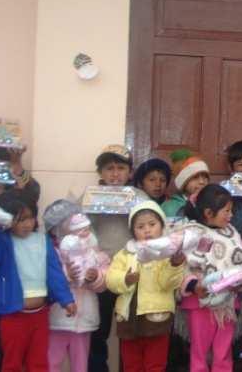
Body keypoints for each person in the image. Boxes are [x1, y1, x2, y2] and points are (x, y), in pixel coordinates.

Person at [0, 191, 77, 372]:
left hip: (40, 315)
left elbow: (54, 273)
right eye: (20, 220)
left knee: (38, 362)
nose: (26, 224)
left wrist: (66, 299)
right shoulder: (4, 241)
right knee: (12, 363)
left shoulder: (42, 240)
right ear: (7, 220)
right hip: (13, 316)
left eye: (30, 218)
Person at [0, 146, 39, 372]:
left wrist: (16, 164)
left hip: (1, 290)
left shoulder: (10, 218)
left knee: (0, 345)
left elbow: (32, 193)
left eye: (3, 187)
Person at [180, 184, 242, 372]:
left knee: (223, 349)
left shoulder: (231, 233)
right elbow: (184, 266)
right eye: (227, 211)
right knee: (200, 349)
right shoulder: (192, 233)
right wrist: (194, 285)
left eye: (231, 210)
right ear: (208, 212)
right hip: (200, 303)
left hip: (228, 303)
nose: (231, 215)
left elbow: (241, 260)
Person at [106, 201, 185, 372]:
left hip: (156, 319)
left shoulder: (167, 253)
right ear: (133, 231)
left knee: (155, 365)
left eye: (152, 224)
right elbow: (110, 279)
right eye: (140, 226)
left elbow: (168, 284)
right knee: (131, 365)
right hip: (128, 319)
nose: (147, 230)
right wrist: (125, 279)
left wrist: (174, 265)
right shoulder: (125, 253)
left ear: (162, 226)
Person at [43, 201, 110, 372]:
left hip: (85, 319)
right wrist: (66, 276)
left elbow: (104, 281)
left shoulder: (94, 252)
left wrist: (95, 277)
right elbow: (45, 278)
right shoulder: (52, 253)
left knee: (81, 364)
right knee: (52, 362)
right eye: (66, 226)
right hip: (57, 318)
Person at [88, 144, 135, 372]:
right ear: (100, 173)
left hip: (131, 276)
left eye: (121, 168)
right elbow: (80, 231)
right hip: (102, 277)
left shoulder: (140, 197)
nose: (115, 174)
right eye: (109, 168)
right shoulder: (89, 197)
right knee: (98, 332)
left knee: (131, 334)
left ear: (130, 172)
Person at [161, 150, 210, 221]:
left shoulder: (211, 202)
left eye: (205, 177)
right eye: (195, 177)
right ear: (183, 183)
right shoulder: (170, 207)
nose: (202, 182)